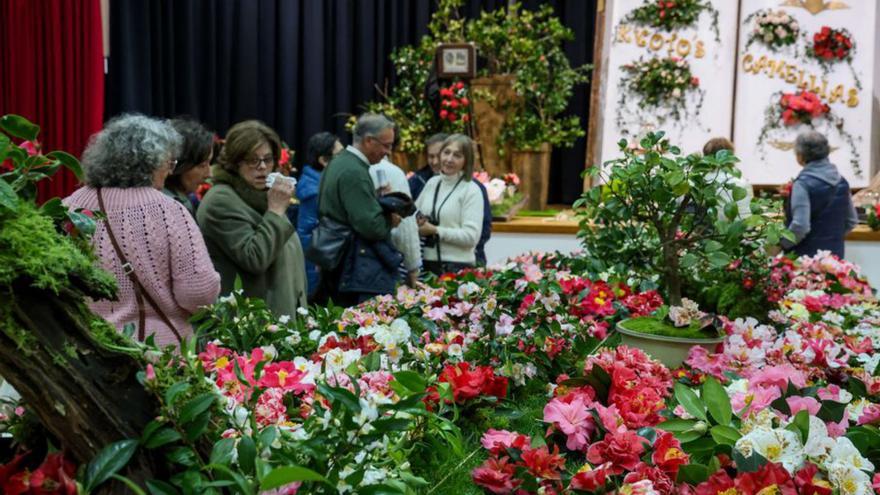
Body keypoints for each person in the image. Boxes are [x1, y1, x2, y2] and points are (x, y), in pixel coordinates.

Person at [64, 114, 220, 347]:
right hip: (156, 352)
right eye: (169, 164)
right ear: (151, 163)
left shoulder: (67, 207)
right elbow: (198, 294)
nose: (169, 173)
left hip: (84, 346)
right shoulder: (168, 211)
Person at [197, 120, 307, 316]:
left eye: (268, 159)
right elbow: (254, 258)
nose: (262, 167)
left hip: (280, 318)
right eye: (252, 160)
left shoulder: (265, 194)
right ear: (234, 162)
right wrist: (275, 211)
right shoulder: (221, 200)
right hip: (251, 326)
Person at [316, 113, 402, 306]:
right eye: (386, 145)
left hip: (335, 261)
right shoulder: (355, 171)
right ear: (369, 141)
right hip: (351, 265)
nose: (388, 152)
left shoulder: (339, 162)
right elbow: (370, 226)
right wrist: (390, 220)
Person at [410, 132, 492, 266]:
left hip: (457, 267)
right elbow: (413, 216)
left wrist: (436, 230)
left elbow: (471, 237)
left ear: (467, 161)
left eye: (457, 155)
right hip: (426, 264)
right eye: (446, 152)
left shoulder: (471, 190)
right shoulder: (432, 183)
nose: (449, 159)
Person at [782, 130, 858, 258]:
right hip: (835, 260)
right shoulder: (842, 182)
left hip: (805, 260)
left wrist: (782, 243)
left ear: (800, 156)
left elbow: (801, 226)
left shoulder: (803, 184)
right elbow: (851, 221)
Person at [297, 132, 343, 299]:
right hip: (317, 270)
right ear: (324, 160)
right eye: (339, 155)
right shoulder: (314, 191)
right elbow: (307, 234)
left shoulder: (321, 184)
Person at [371, 155, 422, 287]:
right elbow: (405, 228)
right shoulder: (391, 172)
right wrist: (413, 266)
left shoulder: (340, 168)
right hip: (384, 260)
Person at [163, 118, 214, 216]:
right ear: (177, 164)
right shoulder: (168, 209)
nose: (209, 174)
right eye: (202, 165)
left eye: (210, 163)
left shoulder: (187, 199)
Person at [702, 137, 753, 220]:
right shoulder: (742, 183)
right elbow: (748, 215)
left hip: (704, 231)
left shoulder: (699, 181)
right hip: (740, 230)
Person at [409, 133, 447, 201]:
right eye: (431, 156)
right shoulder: (416, 181)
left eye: (439, 156)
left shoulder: (466, 183)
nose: (435, 162)